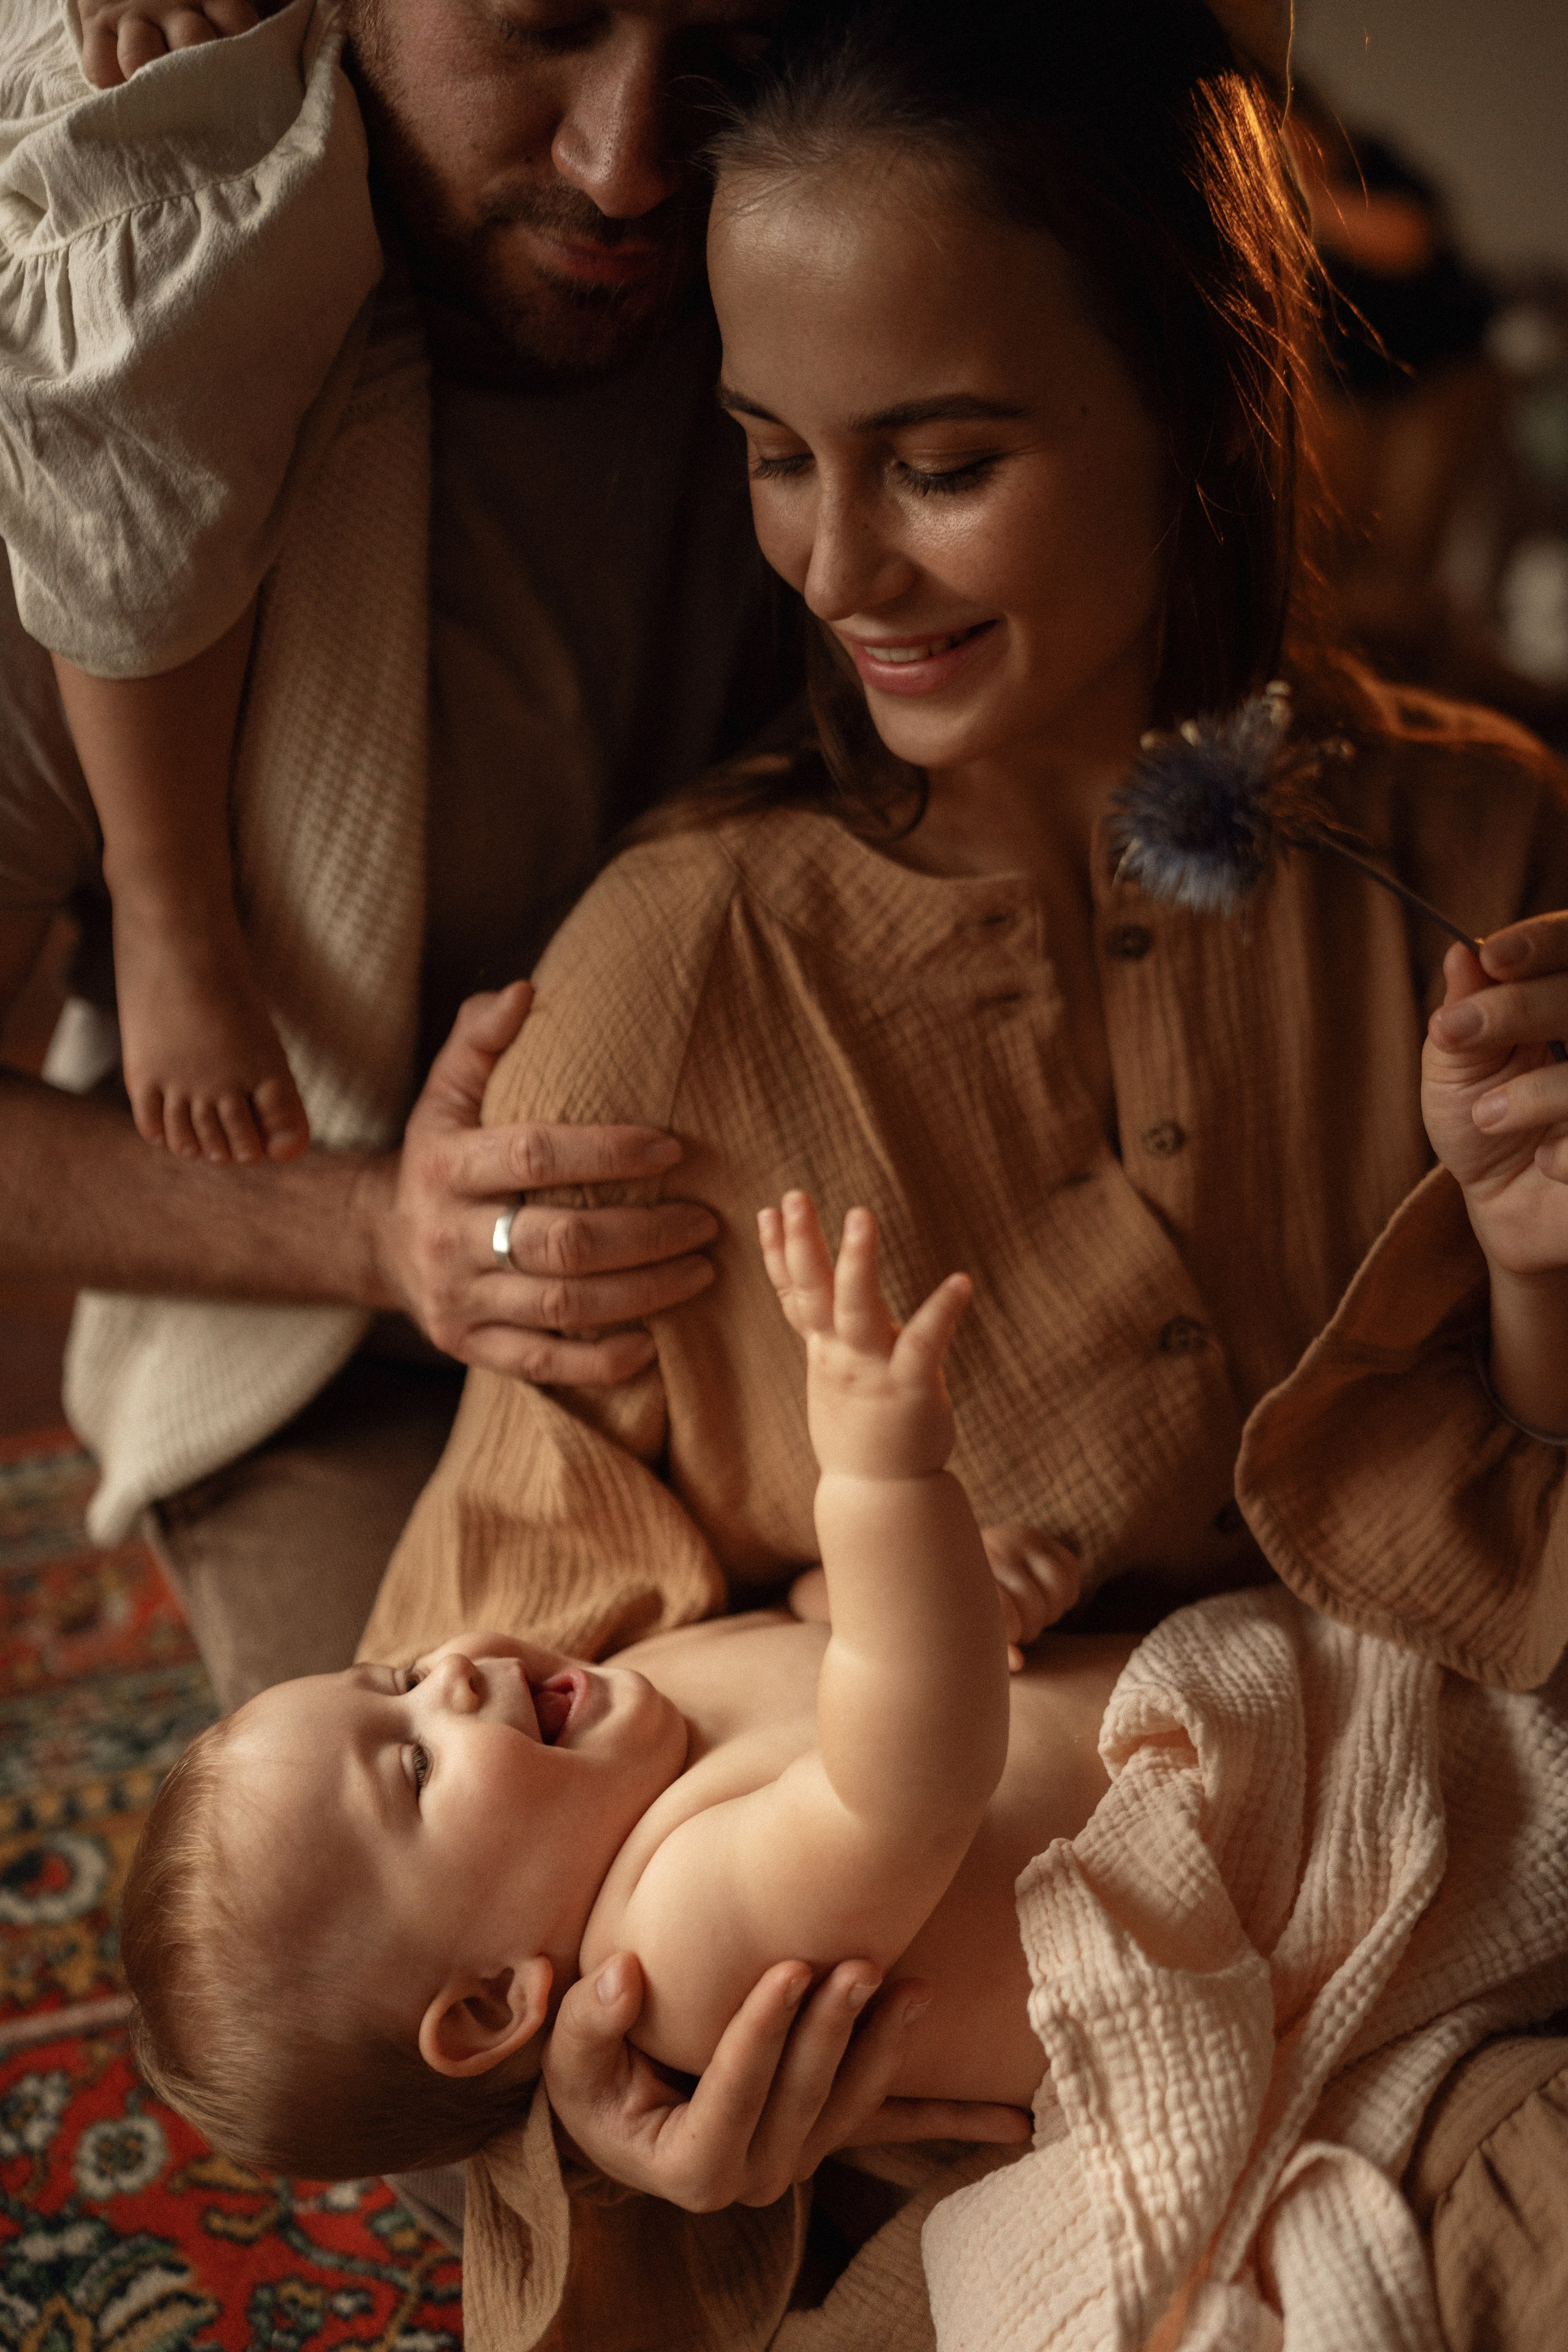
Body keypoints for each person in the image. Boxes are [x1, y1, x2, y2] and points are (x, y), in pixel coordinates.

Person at [345, 2, 1568, 2341]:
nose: (838, 568)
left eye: (943, 460)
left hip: (1473, 1913)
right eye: (775, 456)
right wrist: (617, 2106)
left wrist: (1531, 1273)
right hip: (1028, 2112)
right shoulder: (674, 986)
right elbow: (463, 1761)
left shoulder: (1484, 852)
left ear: (1187, 400)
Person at [0, 0, 1038, 2233]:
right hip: (326, 1334)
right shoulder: (109, 388)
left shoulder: (853, 246)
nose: (636, 148)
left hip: (761, 1245)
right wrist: (377, 1236)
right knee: (505, 2008)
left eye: (725, 22)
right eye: (544, 17)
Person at [122, 1191, 1118, 2175]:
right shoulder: (671, 1948)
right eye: (415, 1766)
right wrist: (884, 1485)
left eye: (397, 1674)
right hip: (1239, 1884)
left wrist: (936, 1588)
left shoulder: (626, 1697)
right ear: (490, 2001)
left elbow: (814, 1650)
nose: (452, 1675)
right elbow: (906, 1785)